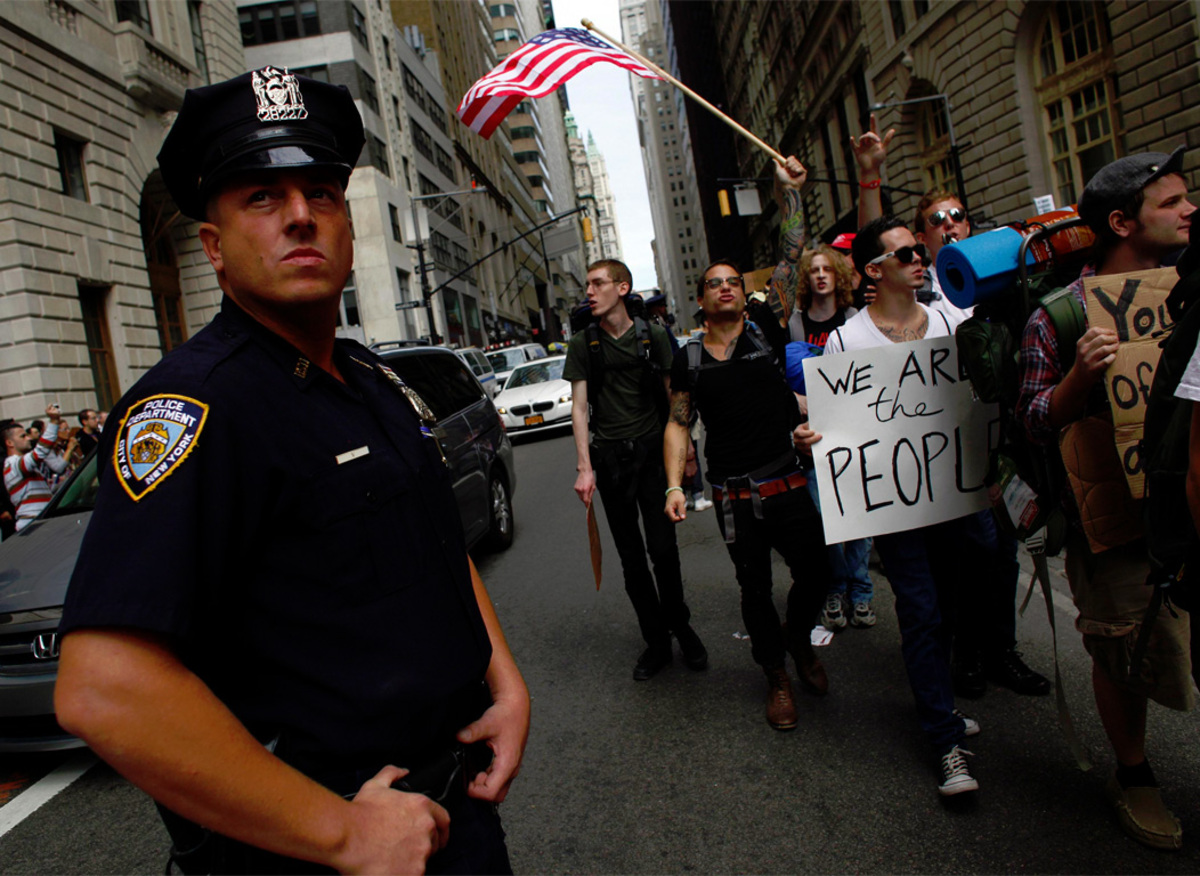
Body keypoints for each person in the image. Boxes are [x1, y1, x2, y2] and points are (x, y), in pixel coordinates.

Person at [53, 67, 529, 875]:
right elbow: (104, 687)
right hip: (322, 844)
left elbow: (434, 545)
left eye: (321, 192)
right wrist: (342, 835)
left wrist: (505, 683)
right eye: (263, 199)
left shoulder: (372, 381)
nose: (301, 216)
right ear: (213, 246)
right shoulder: (193, 406)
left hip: (453, 815)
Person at [1017, 147, 1195, 850]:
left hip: (1190, 502)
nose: (1189, 211)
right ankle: (1135, 773)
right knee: (1123, 648)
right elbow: (1033, 419)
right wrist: (1077, 382)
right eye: (1172, 203)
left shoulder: (1195, 290)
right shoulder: (1059, 317)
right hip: (1113, 519)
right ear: (1123, 222)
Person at [852, 115, 1050, 699]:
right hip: (937, 459)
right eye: (935, 222)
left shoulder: (996, 283)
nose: (949, 225)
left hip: (995, 445)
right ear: (919, 242)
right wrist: (870, 181)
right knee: (960, 562)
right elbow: (875, 246)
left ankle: (1001, 651)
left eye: (958, 216)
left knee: (1003, 554)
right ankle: (963, 655)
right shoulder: (919, 291)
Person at [805, 215, 982, 796]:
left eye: (917, 250)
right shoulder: (847, 340)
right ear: (875, 271)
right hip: (895, 507)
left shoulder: (955, 318)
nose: (918, 258)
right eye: (903, 253)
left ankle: (943, 706)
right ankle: (944, 739)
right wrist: (812, 433)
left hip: (955, 495)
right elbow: (835, 426)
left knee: (952, 606)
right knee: (921, 609)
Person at [663, 155, 833, 732]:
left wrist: (790, 195)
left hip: (787, 478)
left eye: (734, 282)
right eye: (715, 284)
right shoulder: (686, 358)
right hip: (735, 496)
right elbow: (678, 423)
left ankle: (799, 640)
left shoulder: (766, 323)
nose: (727, 289)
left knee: (818, 574)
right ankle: (777, 676)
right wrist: (672, 484)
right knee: (753, 588)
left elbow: (792, 257)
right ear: (702, 298)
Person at [565, 261, 707, 681]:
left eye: (598, 283)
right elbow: (578, 407)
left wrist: (686, 456)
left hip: (652, 456)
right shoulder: (583, 343)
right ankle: (657, 641)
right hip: (610, 461)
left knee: (663, 550)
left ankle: (681, 625)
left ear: (622, 287)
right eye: (587, 285)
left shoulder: (654, 336)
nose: (589, 291)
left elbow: (673, 397)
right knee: (631, 559)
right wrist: (584, 468)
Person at [770, 174, 874, 632]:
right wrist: (795, 399)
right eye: (812, 271)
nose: (818, 275)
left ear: (837, 274)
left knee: (863, 521)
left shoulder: (856, 319)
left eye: (826, 269)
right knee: (828, 522)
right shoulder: (792, 323)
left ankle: (861, 590)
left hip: (858, 433)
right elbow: (776, 377)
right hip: (814, 442)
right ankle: (835, 589)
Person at [645, 293, 712, 513]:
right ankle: (696, 493)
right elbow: (673, 361)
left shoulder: (653, 330)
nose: (664, 309)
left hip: (671, 396)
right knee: (688, 441)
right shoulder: (657, 331)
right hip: (674, 395)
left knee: (686, 440)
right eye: (661, 306)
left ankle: (689, 492)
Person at [3, 405, 74, 531]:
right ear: (9, 443)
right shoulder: (13, 464)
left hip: (38, 521)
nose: (29, 438)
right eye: (23, 436)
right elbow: (40, 452)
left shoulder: (17, 464)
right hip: (33, 524)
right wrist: (53, 421)